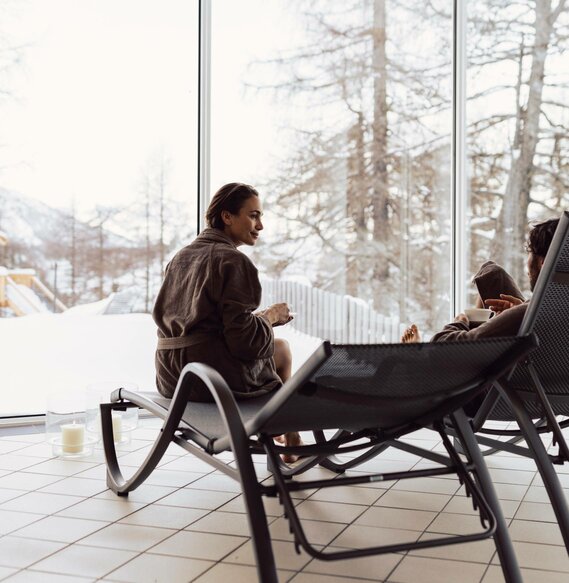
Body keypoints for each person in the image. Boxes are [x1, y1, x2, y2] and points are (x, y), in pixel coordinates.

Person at [152, 182, 301, 457]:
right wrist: (269, 317)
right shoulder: (233, 261)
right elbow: (245, 344)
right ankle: (287, 432)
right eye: (253, 215)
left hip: (172, 376)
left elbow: (202, 323)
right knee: (281, 350)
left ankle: (289, 434)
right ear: (227, 216)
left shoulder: (180, 258)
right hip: (209, 379)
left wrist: (258, 320)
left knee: (273, 346)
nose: (260, 225)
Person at [401, 217, 559, 343]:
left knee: (490, 277)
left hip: (490, 374)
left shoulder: (530, 311)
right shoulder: (555, 310)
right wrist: (519, 314)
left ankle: (415, 355)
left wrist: (461, 321)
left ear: (543, 263)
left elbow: (440, 347)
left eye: (530, 253)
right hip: (545, 378)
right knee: (492, 274)